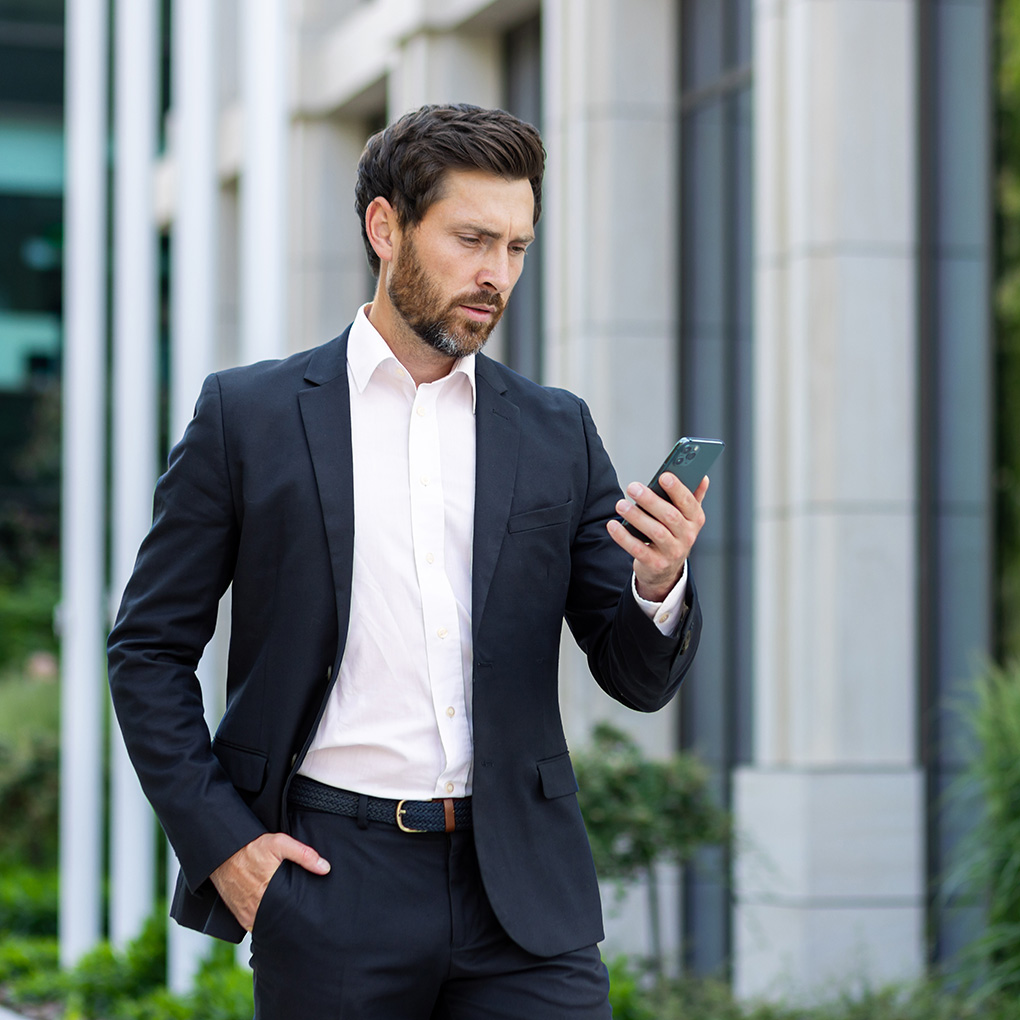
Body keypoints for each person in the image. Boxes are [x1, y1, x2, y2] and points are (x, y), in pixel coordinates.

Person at [108, 103, 708, 1019]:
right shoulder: (250, 418)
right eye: (472, 239)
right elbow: (147, 652)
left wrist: (657, 586)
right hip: (330, 883)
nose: (495, 275)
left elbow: (631, 672)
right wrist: (227, 848)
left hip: (524, 899)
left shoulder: (557, 430)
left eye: (515, 248)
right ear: (384, 227)